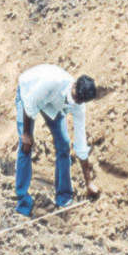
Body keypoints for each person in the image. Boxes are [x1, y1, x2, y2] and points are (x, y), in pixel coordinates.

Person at [15, 64, 101, 217]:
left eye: (80, 101)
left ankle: (63, 197)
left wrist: (89, 183)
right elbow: (30, 104)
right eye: (75, 97)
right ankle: (23, 202)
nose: (76, 102)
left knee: (64, 144)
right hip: (28, 92)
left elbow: (81, 145)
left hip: (54, 106)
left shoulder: (78, 105)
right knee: (26, 146)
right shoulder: (52, 82)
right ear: (74, 85)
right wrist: (27, 135)